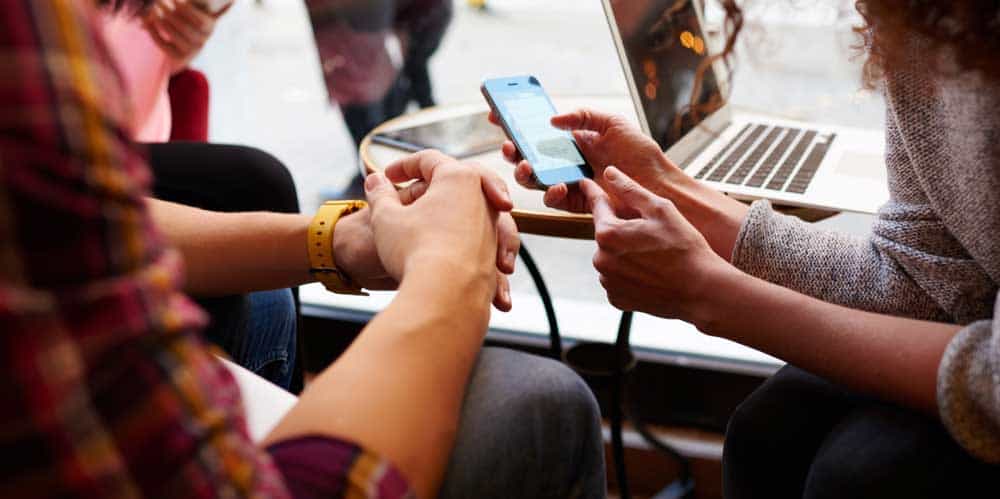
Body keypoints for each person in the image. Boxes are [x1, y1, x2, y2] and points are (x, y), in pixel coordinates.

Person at [0, 1, 606, 498]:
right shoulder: (28, 40)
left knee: (253, 197)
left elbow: (77, 228)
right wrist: (450, 275)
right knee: (543, 401)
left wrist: (344, 241)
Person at [493, 1, 1000, 496]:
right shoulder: (915, 20)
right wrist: (667, 186)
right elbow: (929, 279)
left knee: (859, 476)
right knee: (768, 432)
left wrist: (707, 295)